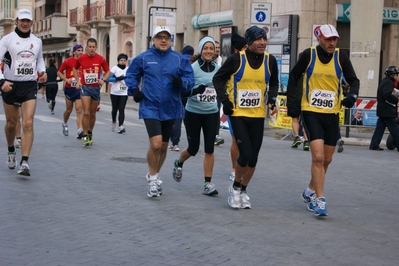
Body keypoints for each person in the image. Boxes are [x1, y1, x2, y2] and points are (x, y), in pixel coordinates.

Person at [286, 24, 360, 216]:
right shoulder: (308, 55)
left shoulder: (341, 56)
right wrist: (293, 105)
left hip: (332, 114)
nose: (332, 43)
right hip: (311, 112)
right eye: (328, 39)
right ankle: (319, 199)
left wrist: (352, 96)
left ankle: (310, 190)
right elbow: (294, 78)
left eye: (334, 39)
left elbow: (354, 80)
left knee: (327, 158)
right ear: (319, 38)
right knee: (318, 157)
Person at [213, 26, 279, 209]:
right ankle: (234, 188)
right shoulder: (236, 59)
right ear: (249, 42)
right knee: (246, 153)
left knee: (254, 159)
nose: (263, 43)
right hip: (238, 114)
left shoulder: (270, 61)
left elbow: (274, 82)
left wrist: (272, 100)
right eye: (258, 39)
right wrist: (224, 101)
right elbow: (218, 79)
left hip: (258, 115)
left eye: (264, 39)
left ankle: (243, 188)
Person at [125, 26, 194, 197]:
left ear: (170, 40)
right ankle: (154, 179)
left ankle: (154, 174)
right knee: (156, 144)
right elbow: (131, 75)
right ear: (153, 40)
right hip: (150, 106)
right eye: (159, 37)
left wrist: (182, 83)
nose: (163, 40)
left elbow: (189, 79)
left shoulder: (179, 59)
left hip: (171, 107)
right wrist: (134, 90)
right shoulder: (144, 58)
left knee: (163, 146)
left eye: (166, 37)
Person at [0, 9, 47, 176]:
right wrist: (1, 82)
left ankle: (25, 161)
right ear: (17, 21)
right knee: (12, 124)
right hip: (10, 85)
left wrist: (42, 73)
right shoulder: (7, 40)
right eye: (22, 20)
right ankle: (11, 149)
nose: (25, 23)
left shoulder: (37, 41)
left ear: (32, 23)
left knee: (27, 123)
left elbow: (40, 60)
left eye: (28, 21)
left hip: (29, 85)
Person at [172, 36, 220, 195]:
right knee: (193, 149)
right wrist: (196, 90)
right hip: (193, 113)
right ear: (200, 50)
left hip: (212, 113)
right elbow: (184, 92)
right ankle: (179, 162)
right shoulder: (192, 68)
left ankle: (208, 183)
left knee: (209, 149)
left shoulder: (218, 69)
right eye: (205, 48)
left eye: (211, 48)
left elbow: (222, 88)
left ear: (214, 52)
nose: (208, 51)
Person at [73, 38, 110, 146]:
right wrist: (78, 80)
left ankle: (89, 132)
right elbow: (75, 69)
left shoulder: (101, 59)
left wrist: (103, 79)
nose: (92, 49)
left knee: (93, 113)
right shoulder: (81, 58)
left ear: (96, 47)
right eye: (90, 47)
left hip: (96, 88)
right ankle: (84, 135)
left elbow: (107, 71)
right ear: (87, 47)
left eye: (93, 47)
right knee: (86, 112)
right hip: (85, 87)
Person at [227, 33, 248, 181]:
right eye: (245, 47)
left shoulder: (255, 62)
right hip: (234, 107)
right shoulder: (232, 61)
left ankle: (243, 166)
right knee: (236, 140)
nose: (248, 49)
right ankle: (234, 168)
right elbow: (220, 80)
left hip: (250, 109)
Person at [168, 45, 195, 151]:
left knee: (177, 120)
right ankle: (193, 142)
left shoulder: (178, 61)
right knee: (189, 121)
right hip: (191, 94)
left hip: (179, 94)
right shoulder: (195, 63)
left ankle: (175, 143)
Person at [369, 66, 399, 151]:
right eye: (397, 74)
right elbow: (387, 95)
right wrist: (396, 100)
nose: (397, 76)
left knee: (380, 128)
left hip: (383, 110)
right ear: (393, 75)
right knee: (395, 129)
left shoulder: (384, 81)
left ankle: (374, 144)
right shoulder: (389, 83)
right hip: (388, 110)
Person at [57, 44, 84, 138]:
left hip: (79, 89)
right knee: (69, 110)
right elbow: (59, 72)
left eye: (81, 50)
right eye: (78, 50)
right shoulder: (68, 61)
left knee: (79, 109)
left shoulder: (84, 61)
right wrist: (66, 79)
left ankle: (80, 130)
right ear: (74, 52)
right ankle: (64, 123)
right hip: (69, 89)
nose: (80, 52)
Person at [108, 53, 129, 134]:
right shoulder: (114, 68)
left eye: (124, 60)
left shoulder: (128, 69)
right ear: (118, 61)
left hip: (124, 92)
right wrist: (116, 78)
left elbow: (131, 78)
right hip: (115, 92)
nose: (123, 62)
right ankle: (113, 120)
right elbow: (108, 79)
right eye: (121, 60)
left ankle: (121, 126)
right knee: (114, 109)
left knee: (121, 109)